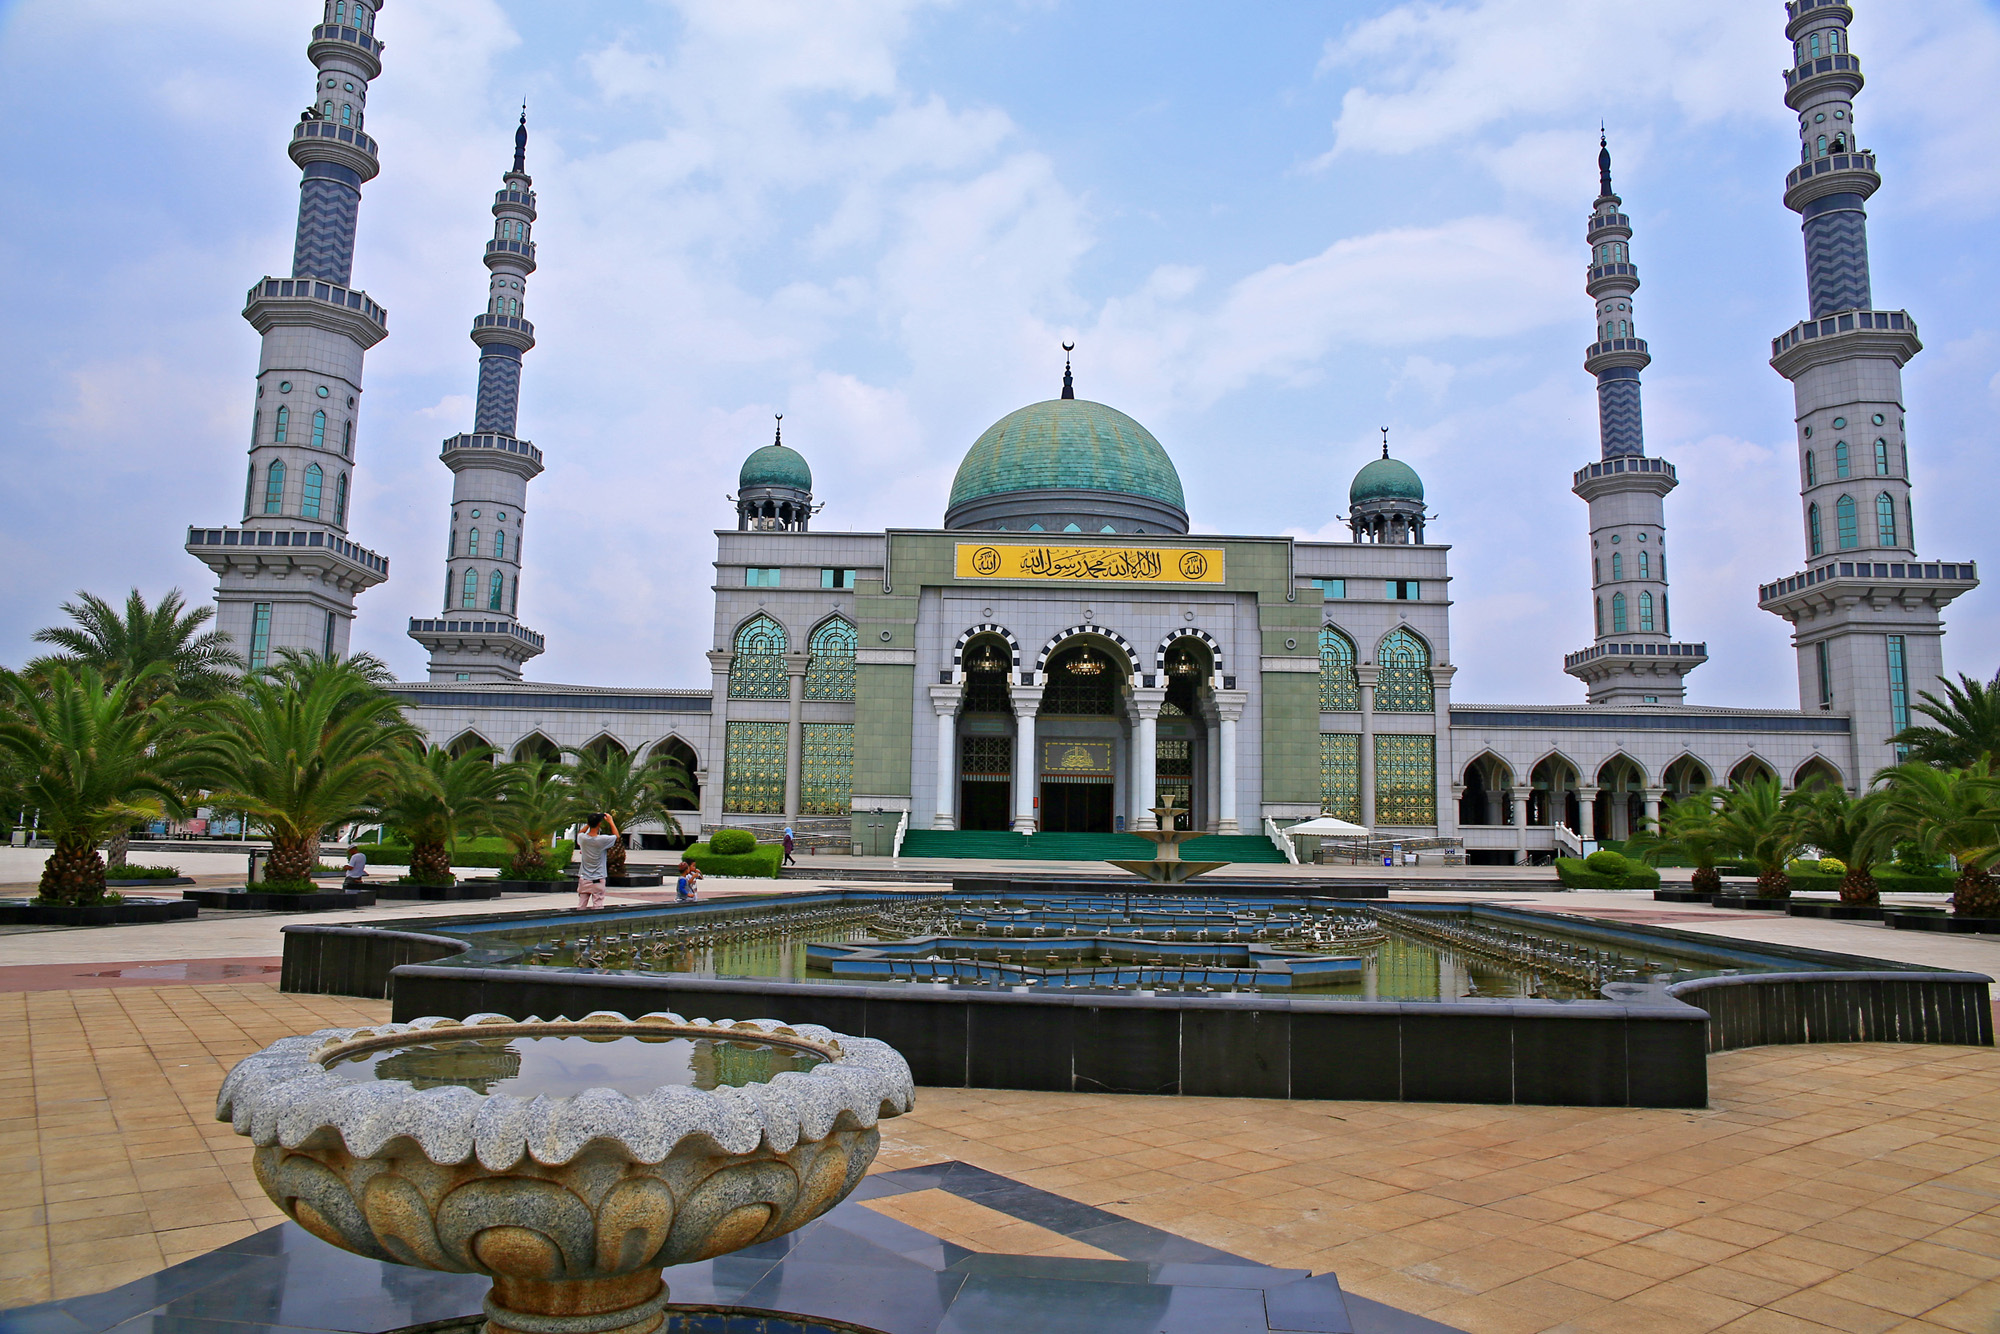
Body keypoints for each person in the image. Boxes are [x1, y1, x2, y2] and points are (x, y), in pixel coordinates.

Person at [575, 813, 620, 911]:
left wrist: (588, 824)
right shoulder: (602, 840)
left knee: (581, 905)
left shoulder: (583, 838)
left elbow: (580, 833)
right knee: (598, 906)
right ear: (599, 823)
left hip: (584, 878)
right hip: (598, 878)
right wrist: (611, 821)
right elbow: (616, 836)